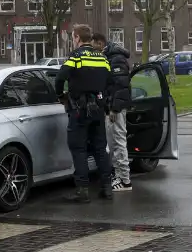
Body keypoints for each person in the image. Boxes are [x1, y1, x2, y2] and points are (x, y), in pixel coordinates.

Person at [54, 25, 114, 203]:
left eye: (73, 37)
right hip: (98, 109)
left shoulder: (76, 56)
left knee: (78, 148)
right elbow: (111, 82)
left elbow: (60, 78)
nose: (73, 40)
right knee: (100, 149)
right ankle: (107, 188)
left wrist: (61, 96)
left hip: (79, 109)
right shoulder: (102, 57)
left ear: (78, 38)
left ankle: (82, 190)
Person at [91, 32, 133, 192]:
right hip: (111, 107)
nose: (94, 50)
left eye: (94, 46)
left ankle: (125, 180)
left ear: (100, 43)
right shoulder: (110, 58)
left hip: (117, 108)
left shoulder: (116, 59)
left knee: (119, 141)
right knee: (113, 143)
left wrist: (114, 108)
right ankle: (119, 176)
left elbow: (120, 85)